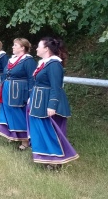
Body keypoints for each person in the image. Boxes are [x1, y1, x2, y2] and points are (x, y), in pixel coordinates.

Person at [28, 37, 79, 168]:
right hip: (39, 100)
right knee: (40, 129)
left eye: (38, 46)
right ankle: (47, 157)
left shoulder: (54, 64)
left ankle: (56, 159)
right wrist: (31, 97)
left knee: (50, 130)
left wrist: (52, 105)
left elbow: (56, 86)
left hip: (47, 101)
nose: (36, 48)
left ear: (46, 49)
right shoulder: (43, 63)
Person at [0, 38, 36, 150]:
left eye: (15, 45)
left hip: (19, 90)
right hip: (8, 89)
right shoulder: (12, 59)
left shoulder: (28, 61)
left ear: (23, 47)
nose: (12, 47)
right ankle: (14, 135)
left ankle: (25, 141)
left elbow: (32, 78)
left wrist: (31, 95)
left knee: (19, 113)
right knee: (9, 112)